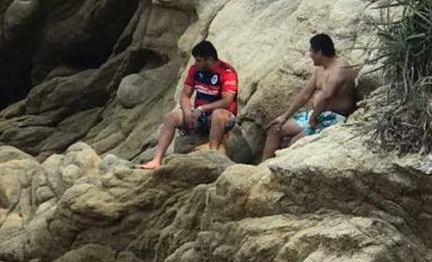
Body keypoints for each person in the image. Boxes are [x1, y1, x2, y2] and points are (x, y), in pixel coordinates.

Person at [141, 41, 239, 170]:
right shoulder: (195, 70)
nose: (195, 63)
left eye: (198, 60)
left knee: (218, 114)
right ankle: (156, 159)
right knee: (172, 117)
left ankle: (213, 154)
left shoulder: (227, 73)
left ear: (209, 59)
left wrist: (201, 109)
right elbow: (185, 95)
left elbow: (227, 101)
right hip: (200, 115)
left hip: (221, 116)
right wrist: (187, 113)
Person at [261, 34, 356, 161]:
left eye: (311, 51)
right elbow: (305, 95)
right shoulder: (319, 70)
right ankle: (262, 167)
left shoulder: (341, 68)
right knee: (275, 129)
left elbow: (326, 97)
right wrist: (285, 116)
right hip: (317, 114)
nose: (310, 54)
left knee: (294, 144)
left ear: (319, 53)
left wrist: (313, 118)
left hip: (334, 117)